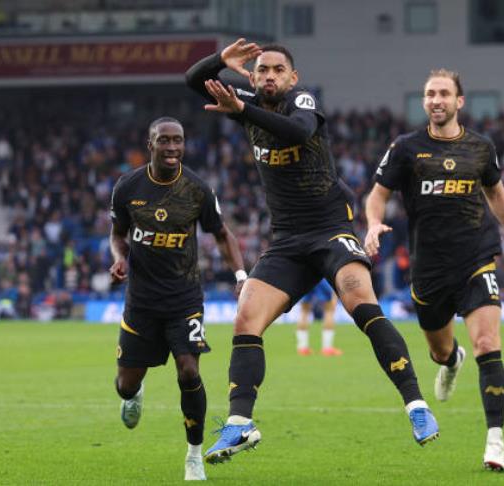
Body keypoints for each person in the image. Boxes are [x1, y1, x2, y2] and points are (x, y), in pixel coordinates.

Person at [185, 39, 439, 464]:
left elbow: (300, 130)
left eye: (277, 70)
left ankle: (417, 406)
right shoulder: (244, 98)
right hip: (287, 240)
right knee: (246, 317)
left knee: (360, 301)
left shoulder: (300, 100)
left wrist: (243, 110)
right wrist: (219, 62)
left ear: (292, 76)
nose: (269, 76)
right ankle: (240, 424)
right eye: (262, 70)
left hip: (329, 231)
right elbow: (193, 81)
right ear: (253, 76)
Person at [364, 69, 504, 472]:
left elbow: (496, 193)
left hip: (477, 258)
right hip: (429, 268)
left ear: (459, 101)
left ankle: (495, 441)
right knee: (440, 350)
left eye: (444, 94)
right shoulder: (405, 148)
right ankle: (451, 363)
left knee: (488, 343)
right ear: (424, 101)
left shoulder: (481, 148)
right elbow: (377, 195)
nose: (436, 100)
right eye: (430, 94)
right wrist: (373, 223)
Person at [109, 117, 246, 481]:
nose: (172, 147)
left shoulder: (198, 189)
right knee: (125, 384)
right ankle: (133, 394)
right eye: (164, 141)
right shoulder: (128, 187)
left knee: (188, 369)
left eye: (178, 141)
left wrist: (240, 275)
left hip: (185, 298)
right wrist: (120, 257)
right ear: (150, 143)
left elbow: (221, 234)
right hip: (140, 301)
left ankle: (194, 453)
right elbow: (117, 234)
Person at [296, 280, 342, 356]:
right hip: (321, 277)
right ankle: (327, 348)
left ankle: (302, 348)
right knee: (329, 310)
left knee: (304, 311)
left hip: (305, 277)